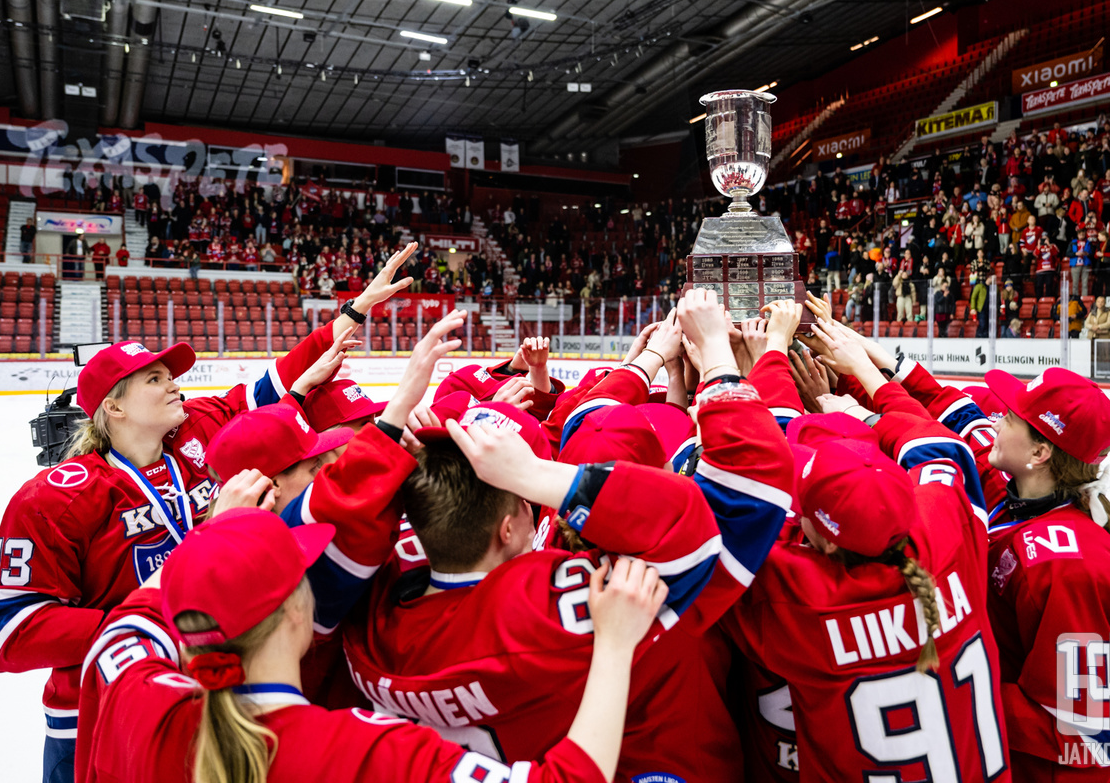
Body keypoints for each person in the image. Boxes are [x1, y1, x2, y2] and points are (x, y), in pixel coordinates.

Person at [0, 246, 420, 783]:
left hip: (217, 689)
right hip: (104, 711)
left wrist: (353, 312)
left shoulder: (194, 434)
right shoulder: (57, 496)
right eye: (155, 379)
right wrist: (152, 624)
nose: (174, 384)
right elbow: (7, 631)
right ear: (112, 407)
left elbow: (273, 386)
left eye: (170, 374)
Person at [327, 296, 795, 782]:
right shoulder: (564, 609)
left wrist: (390, 433)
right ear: (509, 527)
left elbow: (337, 524)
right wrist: (718, 355)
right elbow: (745, 507)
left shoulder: (369, 615)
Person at [74, 508, 663, 783]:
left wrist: (210, 548)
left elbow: (127, 628)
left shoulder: (140, 700)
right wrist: (614, 646)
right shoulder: (368, 752)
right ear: (297, 612)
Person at [722, 318, 1006, 783]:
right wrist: (867, 386)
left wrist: (770, 356)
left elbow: (749, 495)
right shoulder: (948, 533)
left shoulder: (803, 600)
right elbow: (936, 447)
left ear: (826, 539)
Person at [870, 344, 1110, 780]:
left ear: (1040, 453)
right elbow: (957, 419)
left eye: (1010, 418)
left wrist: (954, 690)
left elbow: (1097, 733)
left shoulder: (1073, 566)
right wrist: (870, 363)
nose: (996, 420)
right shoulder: (1017, 490)